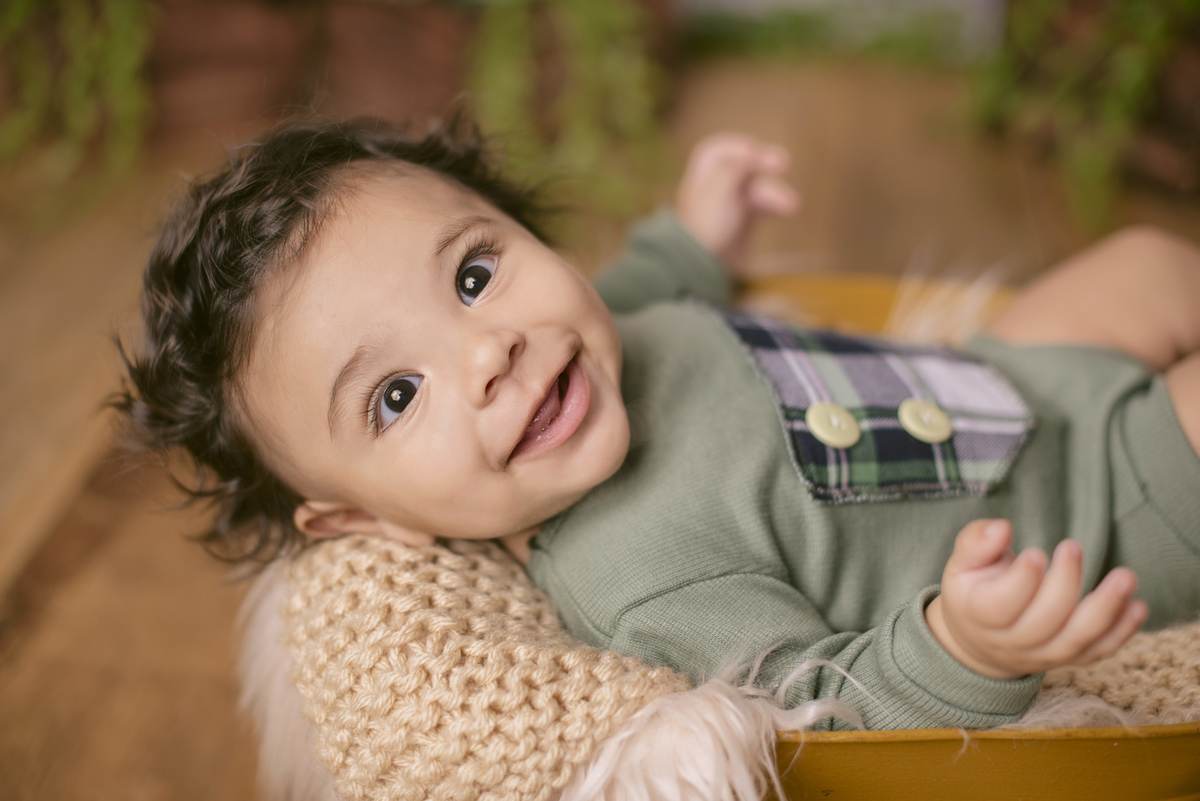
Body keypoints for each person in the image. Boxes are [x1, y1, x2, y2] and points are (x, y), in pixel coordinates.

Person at [116, 119, 1200, 731]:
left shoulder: (587, 346)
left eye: (476, 272)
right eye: (396, 396)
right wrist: (964, 643)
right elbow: (823, 710)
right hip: (1104, 516)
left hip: (1000, 380)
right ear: (356, 515)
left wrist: (695, 231)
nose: (487, 351)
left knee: (1148, 264)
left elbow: (629, 288)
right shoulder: (642, 575)